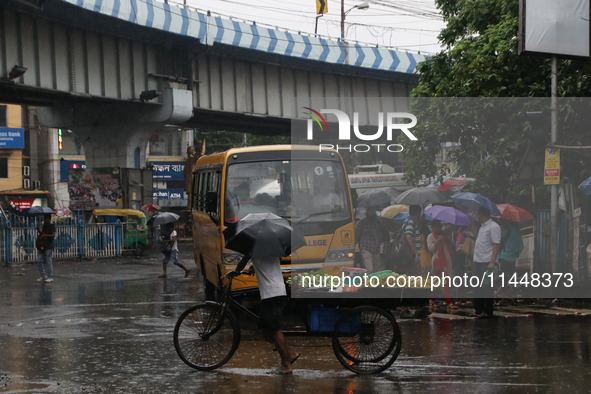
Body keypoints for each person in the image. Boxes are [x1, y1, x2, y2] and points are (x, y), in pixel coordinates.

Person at [231, 252, 300, 375]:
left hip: (272, 294)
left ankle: (286, 365)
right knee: (263, 326)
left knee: (274, 328)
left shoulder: (253, 248)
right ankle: (289, 353)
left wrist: (236, 271)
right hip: (273, 292)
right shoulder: (271, 247)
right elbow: (270, 263)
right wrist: (255, 267)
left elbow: (243, 262)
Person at [471, 206, 501, 318]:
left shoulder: (494, 227)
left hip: (488, 262)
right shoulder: (482, 227)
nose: (477, 216)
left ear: (482, 215)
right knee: (477, 286)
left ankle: (488, 311)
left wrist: (492, 262)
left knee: (487, 287)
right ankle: (478, 309)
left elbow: (496, 244)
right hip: (478, 261)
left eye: (478, 214)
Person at [427, 220, 458, 310]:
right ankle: (449, 303)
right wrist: (438, 241)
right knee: (445, 282)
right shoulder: (431, 236)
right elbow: (430, 248)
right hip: (438, 262)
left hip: (446, 262)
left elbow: (451, 228)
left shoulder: (444, 234)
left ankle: (432, 300)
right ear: (433, 227)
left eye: (440, 226)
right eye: (437, 227)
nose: (439, 228)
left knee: (441, 283)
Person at [496, 219, 524, 306]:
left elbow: (499, 241)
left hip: (504, 257)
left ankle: (503, 298)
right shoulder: (518, 233)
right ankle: (514, 297)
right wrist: (516, 254)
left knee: (504, 278)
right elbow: (521, 246)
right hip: (512, 259)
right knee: (513, 278)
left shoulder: (506, 231)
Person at [355, 205, 389, 273]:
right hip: (366, 248)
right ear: (367, 215)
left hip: (376, 249)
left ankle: (374, 283)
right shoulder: (361, 223)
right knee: (369, 269)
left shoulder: (378, 222)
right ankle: (368, 283)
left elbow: (381, 234)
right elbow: (356, 236)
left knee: (376, 271)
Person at [183, 140, 206, 210]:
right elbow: (202, 154)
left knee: (190, 195)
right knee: (193, 194)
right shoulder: (194, 159)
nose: (195, 152)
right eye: (194, 151)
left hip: (188, 180)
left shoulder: (187, 160)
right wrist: (204, 145)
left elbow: (184, 172)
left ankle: (189, 206)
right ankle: (191, 207)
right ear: (192, 151)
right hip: (192, 180)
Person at [36, 214, 56, 283]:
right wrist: (39, 230)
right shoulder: (44, 226)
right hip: (43, 246)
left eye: (47, 219)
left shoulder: (52, 226)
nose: (46, 220)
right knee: (39, 260)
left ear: (49, 219)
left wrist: (45, 235)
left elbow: (53, 235)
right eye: (45, 219)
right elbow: (42, 234)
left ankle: (50, 276)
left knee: (48, 261)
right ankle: (43, 275)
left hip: (49, 246)